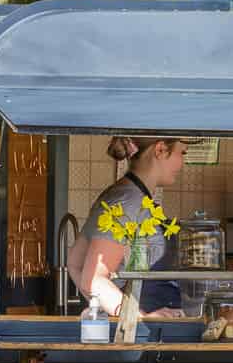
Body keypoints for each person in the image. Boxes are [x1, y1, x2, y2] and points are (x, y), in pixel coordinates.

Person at [72, 136, 188, 318]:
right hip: (139, 335)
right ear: (160, 150)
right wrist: (136, 319)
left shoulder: (131, 195)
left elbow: (76, 263)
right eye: (182, 153)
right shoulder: (128, 201)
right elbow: (94, 279)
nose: (183, 162)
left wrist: (104, 309)